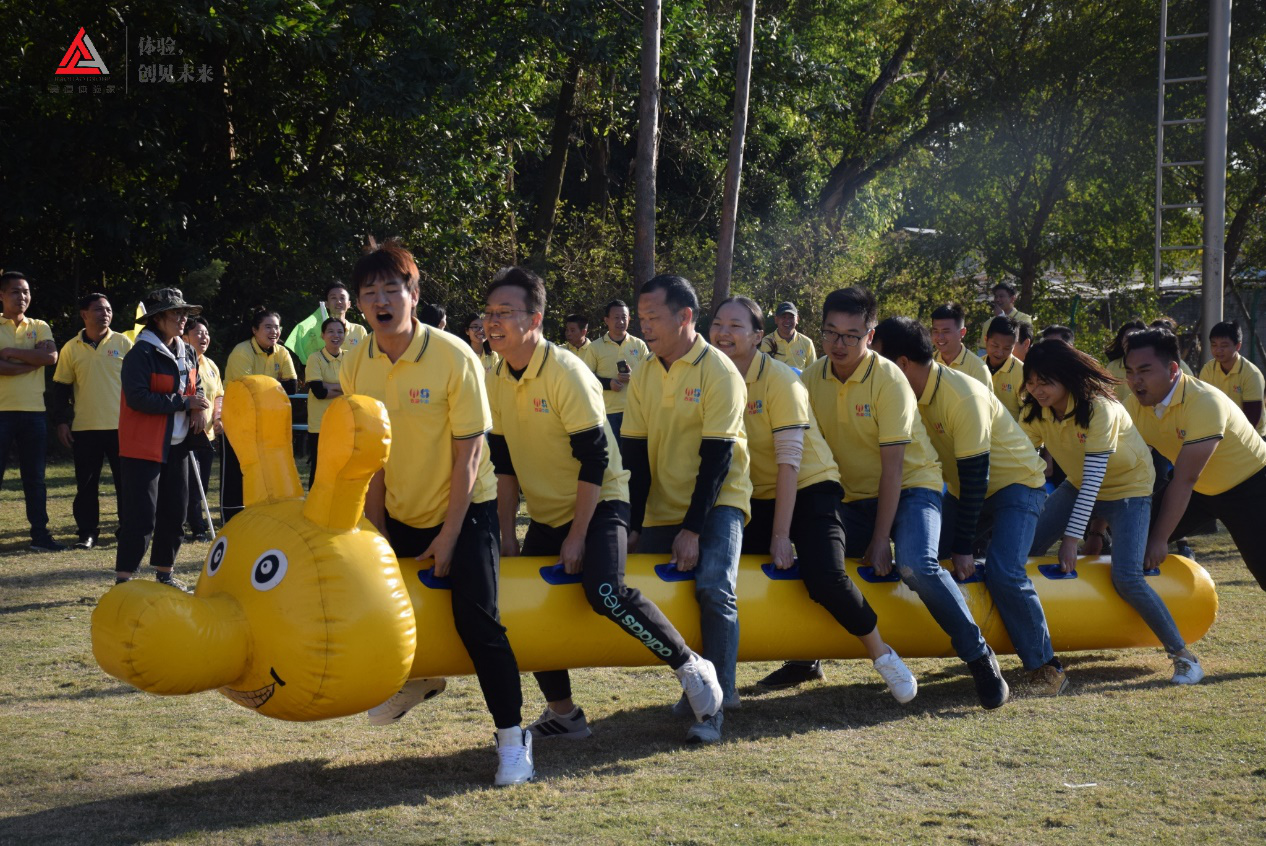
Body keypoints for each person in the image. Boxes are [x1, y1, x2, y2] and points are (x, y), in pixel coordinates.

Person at [483, 267, 722, 743]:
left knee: (605, 590)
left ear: (536, 319)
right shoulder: (494, 376)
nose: (493, 322)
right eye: (489, 313)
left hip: (604, 501)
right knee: (526, 610)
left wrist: (577, 535)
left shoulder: (565, 372)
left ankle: (691, 665)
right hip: (549, 513)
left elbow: (595, 460)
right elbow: (504, 464)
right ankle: (565, 714)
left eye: (505, 313)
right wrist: (507, 532)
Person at [340, 239, 532, 787]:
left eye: (391, 290)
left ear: (414, 295)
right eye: (370, 293)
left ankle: (513, 741)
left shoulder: (453, 356)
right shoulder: (357, 362)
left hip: (467, 507)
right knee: (381, 609)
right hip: (398, 507)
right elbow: (370, 459)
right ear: (358, 303)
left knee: (480, 623)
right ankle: (419, 678)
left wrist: (449, 535)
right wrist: (376, 531)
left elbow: (469, 453)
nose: (381, 301)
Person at [796, 287, 1008, 708]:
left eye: (852, 335)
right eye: (831, 333)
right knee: (817, 560)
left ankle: (979, 656)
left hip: (914, 487)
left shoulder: (890, 379)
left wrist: (880, 540)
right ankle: (804, 657)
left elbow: (893, 468)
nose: (840, 344)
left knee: (915, 564)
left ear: (870, 336)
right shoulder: (810, 378)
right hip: (852, 497)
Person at [710, 297, 917, 702]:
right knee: (715, 569)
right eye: (717, 323)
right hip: (756, 494)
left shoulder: (781, 379)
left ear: (757, 337)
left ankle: (883, 654)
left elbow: (790, 462)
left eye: (735, 326)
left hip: (811, 487)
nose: (723, 333)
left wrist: (781, 534)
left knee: (825, 575)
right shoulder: (710, 377)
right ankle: (719, 681)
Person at [873, 317, 1069, 695]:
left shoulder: (962, 395)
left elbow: (977, 477)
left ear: (899, 364)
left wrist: (964, 548)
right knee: (921, 563)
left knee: (1003, 571)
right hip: (966, 492)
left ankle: (1047, 666)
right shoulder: (905, 395)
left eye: (877, 361)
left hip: (1017, 487)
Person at [1019, 340, 1202, 684]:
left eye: (1045, 382)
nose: (1037, 390)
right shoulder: (1035, 410)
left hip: (1128, 492)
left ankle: (1183, 656)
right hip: (1078, 484)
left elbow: (1094, 479)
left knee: (1127, 577)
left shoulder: (1099, 408)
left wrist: (1074, 538)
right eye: (1031, 382)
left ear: (1066, 378)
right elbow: (1017, 459)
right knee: (1024, 549)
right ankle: (1039, 642)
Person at [622, 274, 751, 744]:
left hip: (719, 501)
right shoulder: (645, 372)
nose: (646, 326)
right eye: (642, 318)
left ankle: (719, 701)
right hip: (662, 505)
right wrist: (632, 525)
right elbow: (633, 456)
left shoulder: (719, 372)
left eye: (654, 317)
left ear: (686, 317)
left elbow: (717, 461)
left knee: (715, 587)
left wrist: (693, 529)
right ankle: (694, 675)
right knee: (634, 585)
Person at [1124, 328, 1266, 592]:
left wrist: (1160, 538)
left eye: (1144, 371)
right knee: (1130, 539)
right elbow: (1116, 464)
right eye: (1130, 372)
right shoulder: (1133, 406)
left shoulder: (1204, 401)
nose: (1135, 381)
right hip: (1199, 490)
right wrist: (1098, 529)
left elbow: (1186, 478)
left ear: (1173, 369)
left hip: (1251, 486)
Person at [114, 288, 209, 590]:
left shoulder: (189, 351)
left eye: (185, 313)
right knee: (140, 516)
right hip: (143, 446)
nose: (183, 318)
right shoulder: (139, 354)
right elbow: (139, 398)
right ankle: (124, 579)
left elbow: (198, 386)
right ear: (156, 319)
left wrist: (198, 405)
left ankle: (164, 574)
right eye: (175, 313)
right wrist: (184, 403)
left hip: (180, 445)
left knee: (175, 512)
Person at [49, 293, 131, 549]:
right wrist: (61, 422)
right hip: (85, 428)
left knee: (126, 483)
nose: (105, 314)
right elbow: (61, 389)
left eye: (108, 309)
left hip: (122, 427)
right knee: (86, 485)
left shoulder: (124, 343)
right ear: (84, 314)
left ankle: (127, 529)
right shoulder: (70, 348)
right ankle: (87, 532)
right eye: (98, 310)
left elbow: (136, 385)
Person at [0, 270, 65, 551]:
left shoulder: (39, 325)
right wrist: (31, 362)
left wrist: (11, 353)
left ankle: (40, 535)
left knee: (35, 478)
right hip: (1, 412)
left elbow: (50, 357)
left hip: (33, 413)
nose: (22, 297)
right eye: (15, 291)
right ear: (1, 295)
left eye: (25, 291)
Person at [222, 310, 298, 523]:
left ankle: (264, 516)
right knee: (236, 473)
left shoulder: (282, 352)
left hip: (269, 422)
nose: (274, 331)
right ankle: (231, 518)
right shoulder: (241, 351)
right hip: (238, 420)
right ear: (254, 330)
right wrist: (274, 386)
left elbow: (292, 386)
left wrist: (262, 386)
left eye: (277, 327)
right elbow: (245, 392)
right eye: (268, 327)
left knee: (267, 469)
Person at [182, 317, 222, 541]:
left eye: (206, 333)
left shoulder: (211, 364)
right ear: (185, 337)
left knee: (202, 482)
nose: (203, 337)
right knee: (190, 482)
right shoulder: (182, 362)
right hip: (187, 433)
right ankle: (197, 526)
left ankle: (196, 523)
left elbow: (219, 395)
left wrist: (218, 418)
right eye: (198, 333)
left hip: (207, 433)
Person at [589, 299, 650, 442]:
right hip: (607, 412)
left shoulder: (639, 345)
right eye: (616, 317)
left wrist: (633, 376)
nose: (621, 321)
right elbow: (586, 378)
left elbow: (650, 375)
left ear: (629, 319)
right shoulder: (595, 347)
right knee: (613, 458)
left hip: (635, 411)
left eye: (624, 317)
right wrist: (608, 383)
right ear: (606, 320)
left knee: (633, 457)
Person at [1199, 320, 1264, 436]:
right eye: (1214, 345)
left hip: (1252, 436)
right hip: (1221, 433)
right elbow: (1204, 406)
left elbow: (1252, 419)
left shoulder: (1252, 374)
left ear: (1238, 346)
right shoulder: (1208, 370)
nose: (1218, 350)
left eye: (1224, 346)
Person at [304, 317, 346, 487]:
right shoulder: (315, 358)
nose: (335, 335)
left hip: (345, 422)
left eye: (340, 331)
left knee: (342, 466)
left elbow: (357, 387)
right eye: (330, 331)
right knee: (319, 467)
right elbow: (319, 392)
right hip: (320, 424)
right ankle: (314, 507)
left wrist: (329, 385)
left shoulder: (351, 358)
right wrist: (343, 388)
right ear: (322, 335)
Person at [930, 301, 991, 387]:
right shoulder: (927, 362)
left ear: (962, 332)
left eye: (946, 331)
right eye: (935, 331)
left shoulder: (977, 369)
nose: (940, 337)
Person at [982, 315, 1024, 420]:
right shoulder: (976, 365)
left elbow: (1026, 413)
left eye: (1007, 348)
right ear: (986, 340)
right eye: (995, 346)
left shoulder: (1022, 372)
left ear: (1014, 345)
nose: (999, 352)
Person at [976, 282, 1032, 353]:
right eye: (996, 296)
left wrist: (1001, 317)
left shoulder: (1024, 319)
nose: (997, 300)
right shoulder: (988, 323)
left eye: (1001, 296)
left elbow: (1021, 344)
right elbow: (983, 351)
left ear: (1012, 298)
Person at [759, 301, 816, 371]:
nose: (787, 320)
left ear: (797, 319)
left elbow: (813, 372)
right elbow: (763, 371)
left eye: (791, 317)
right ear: (776, 320)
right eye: (783, 317)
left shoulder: (807, 343)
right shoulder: (767, 342)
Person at [1104, 320, 1147, 403]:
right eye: (1128, 338)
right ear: (1121, 341)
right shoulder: (1112, 367)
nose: (1132, 342)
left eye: (1137, 338)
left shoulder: (1152, 366)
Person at [324, 282, 369, 350]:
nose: (338, 301)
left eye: (342, 298)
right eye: (333, 298)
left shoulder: (359, 331)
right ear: (326, 304)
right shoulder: (321, 331)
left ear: (349, 304)